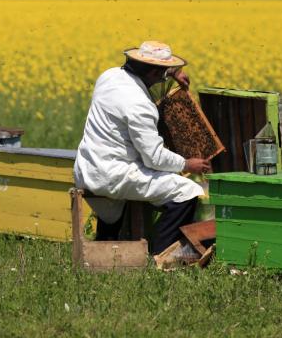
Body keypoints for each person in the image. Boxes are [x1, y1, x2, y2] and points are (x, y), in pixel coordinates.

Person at [73, 40, 211, 254]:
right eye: (163, 73)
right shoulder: (139, 104)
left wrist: (172, 72)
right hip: (114, 175)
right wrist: (186, 164)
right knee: (188, 191)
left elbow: (150, 71)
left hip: (87, 168)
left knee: (113, 209)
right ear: (155, 73)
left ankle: (106, 247)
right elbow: (154, 158)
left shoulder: (108, 76)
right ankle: (159, 254)